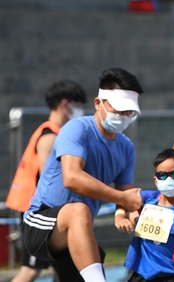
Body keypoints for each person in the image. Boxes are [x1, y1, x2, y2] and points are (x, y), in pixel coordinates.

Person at [20, 68, 145, 282]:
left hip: (79, 231)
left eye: (130, 112)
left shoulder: (127, 148)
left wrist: (136, 215)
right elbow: (72, 178)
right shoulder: (76, 129)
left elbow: (126, 197)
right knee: (78, 211)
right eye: (119, 109)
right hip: (40, 222)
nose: (124, 116)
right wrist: (123, 198)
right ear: (98, 103)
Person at [7, 80, 87, 282]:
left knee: (63, 267)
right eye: (77, 105)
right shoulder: (50, 136)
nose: (80, 110)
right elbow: (49, 181)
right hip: (36, 211)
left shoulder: (55, 133)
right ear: (65, 104)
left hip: (42, 209)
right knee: (30, 270)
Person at [117, 149, 174, 282]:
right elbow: (124, 199)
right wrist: (120, 216)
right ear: (156, 180)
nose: (169, 179)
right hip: (140, 272)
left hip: (167, 275)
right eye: (162, 175)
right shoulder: (148, 198)